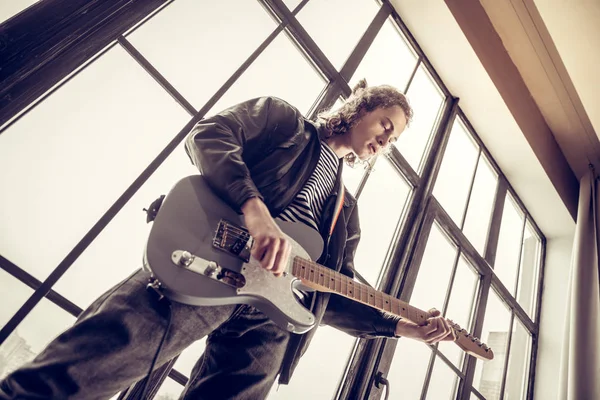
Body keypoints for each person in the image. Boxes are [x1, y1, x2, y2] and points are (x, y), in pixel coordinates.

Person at [0, 80, 456, 399]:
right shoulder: (284, 122)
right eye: (385, 124)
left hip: (270, 321)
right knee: (78, 376)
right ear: (361, 108)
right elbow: (211, 135)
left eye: (392, 139)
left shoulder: (346, 212)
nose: (385, 139)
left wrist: (401, 326)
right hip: (209, 262)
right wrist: (256, 213)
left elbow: (329, 290)